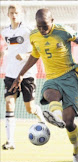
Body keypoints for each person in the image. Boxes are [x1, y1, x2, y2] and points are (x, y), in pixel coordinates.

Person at [9, 8, 78, 162]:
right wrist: (20, 74)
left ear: (52, 21)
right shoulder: (34, 35)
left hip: (70, 76)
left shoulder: (63, 30)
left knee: (69, 122)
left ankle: (77, 151)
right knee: (49, 94)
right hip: (52, 78)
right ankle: (56, 116)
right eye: (39, 26)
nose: (42, 30)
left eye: (45, 26)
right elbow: (35, 55)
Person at [1, 4, 46, 150]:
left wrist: (25, 55)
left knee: (29, 108)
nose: (14, 15)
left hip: (28, 75)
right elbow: (10, 47)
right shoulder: (5, 32)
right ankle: (10, 141)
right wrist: (5, 53)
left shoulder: (28, 30)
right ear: (7, 14)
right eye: (11, 12)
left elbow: (37, 49)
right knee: (9, 103)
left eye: (16, 13)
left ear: (21, 14)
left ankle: (40, 116)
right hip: (10, 74)